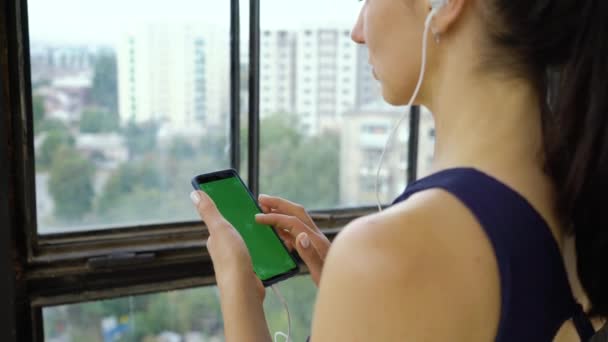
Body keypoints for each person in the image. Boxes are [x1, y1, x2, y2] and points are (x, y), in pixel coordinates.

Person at [189, 0, 608, 340]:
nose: (357, 31)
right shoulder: (582, 200)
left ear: (446, 5)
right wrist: (355, 293)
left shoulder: (392, 254)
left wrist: (237, 293)